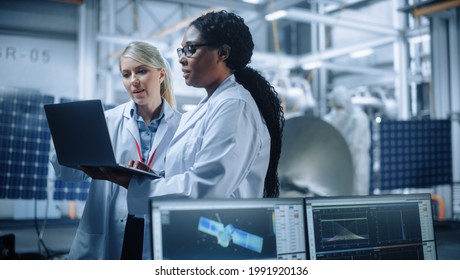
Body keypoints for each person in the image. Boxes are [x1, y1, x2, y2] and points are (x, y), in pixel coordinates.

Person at [102, 10, 284, 215]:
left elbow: (207, 187)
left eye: (191, 49)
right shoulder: (208, 107)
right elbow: (191, 174)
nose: (181, 59)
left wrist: (139, 186)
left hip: (223, 235)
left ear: (223, 53)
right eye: (182, 51)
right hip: (197, 230)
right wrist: (154, 178)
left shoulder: (235, 106)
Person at [50, 41, 181, 259]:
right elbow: (69, 174)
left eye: (141, 71)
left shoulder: (183, 127)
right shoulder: (105, 122)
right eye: (126, 74)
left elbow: (186, 185)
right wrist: (66, 146)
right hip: (109, 228)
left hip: (157, 226)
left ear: (160, 75)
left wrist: (155, 178)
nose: (134, 81)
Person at [323, 86, 371, 195]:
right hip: (337, 164)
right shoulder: (331, 118)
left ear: (348, 104)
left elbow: (353, 145)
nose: (337, 111)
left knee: (358, 193)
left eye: (340, 107)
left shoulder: (359, 119)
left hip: (357, 162)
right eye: (334, 107)